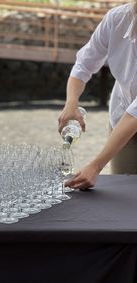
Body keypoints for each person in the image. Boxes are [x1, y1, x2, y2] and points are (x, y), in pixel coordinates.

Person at [58, 1, 137, 190]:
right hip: (122, 115)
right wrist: (71, 102)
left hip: (131, 117)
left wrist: (95, 166)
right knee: (125, 189)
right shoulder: (117, 18)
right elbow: (85, 64)